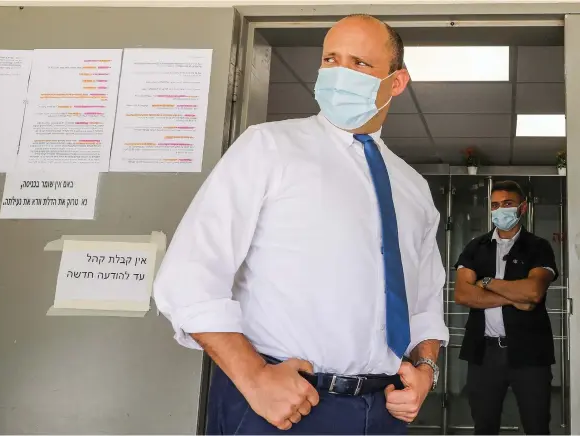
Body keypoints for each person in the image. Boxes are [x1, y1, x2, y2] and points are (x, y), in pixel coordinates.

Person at [154, 14, 449, 435]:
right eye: (330, 59)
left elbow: (424, 299)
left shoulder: (412, 187)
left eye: (360, 64)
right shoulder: (267, 147)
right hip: (282, 407)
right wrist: (253, 377)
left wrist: (425, 368)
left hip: (383, 412)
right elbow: (189, 275)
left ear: (396, 83)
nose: (339, 74)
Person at [454, 180, 558, 435]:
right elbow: (463, 294)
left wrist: (487, 283)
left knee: (536, 425)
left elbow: (534, 291)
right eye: (495, 205)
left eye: (507, 204)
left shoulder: (538, 247)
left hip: (530, 353)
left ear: (522, 208)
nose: (500, 210)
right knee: (484, 426)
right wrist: (515, 297)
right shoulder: (475, 248)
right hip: (484, 353)